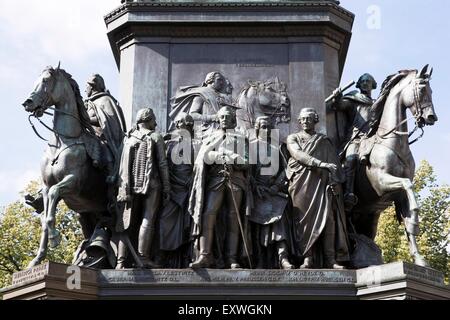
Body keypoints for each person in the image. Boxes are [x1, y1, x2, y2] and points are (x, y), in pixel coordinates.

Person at [286, 108, 350, 269]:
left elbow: (335, 166)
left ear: (315, 120)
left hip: (323, 185)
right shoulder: (293, 138)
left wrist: (335, 181)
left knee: (329, 221)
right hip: (301, 183)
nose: (306, 121)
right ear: (299, 122)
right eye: (303, 119)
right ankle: (308, 258)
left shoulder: (324, 141)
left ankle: (330, 259)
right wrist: (321, 164)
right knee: (303, 221)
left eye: (309, 118)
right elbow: (298, 155)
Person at [189, 106, 251, 269]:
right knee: (208, 213)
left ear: (233, 119)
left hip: (235, 180)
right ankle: (205, 255)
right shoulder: (210, 137)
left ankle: (232, 258)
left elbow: (246, 162)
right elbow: (203, 157)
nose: (224, 119)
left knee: (233, 218)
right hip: (215, 179)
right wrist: (218, 155)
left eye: (227, 117)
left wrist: (233, 157)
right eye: (221, 116)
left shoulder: (240, 137)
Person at [116, 108, 171, 269]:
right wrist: (167, 187)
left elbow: (122, 167)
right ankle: (143, 257)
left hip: (128, 187)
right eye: (154, 119)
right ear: (148, 120)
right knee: (148, 219)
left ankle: (121, 261)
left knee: (127, 221)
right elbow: (162, 164)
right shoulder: (155, 137)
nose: (156, 123)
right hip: (152, 184)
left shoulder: (129, 139)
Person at [248, 116, 294, 269]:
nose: (266, 130)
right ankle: (259, 260)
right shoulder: (250, 146)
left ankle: (283, 257)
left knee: (279, 222)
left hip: (275, 193)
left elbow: (285, 170)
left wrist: (277, 185)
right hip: (257, 193)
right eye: (263, 127)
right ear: (257, 128)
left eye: (268, 127)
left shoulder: (278, 147)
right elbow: (246, 171)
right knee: (257, 227)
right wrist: (255, 186)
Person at [328, 73, 377, 210]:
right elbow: (339, 105)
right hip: (356, 138)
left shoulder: (377, 103)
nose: (366, 83)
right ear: (359, 84)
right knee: (351, 160)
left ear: (373, 85)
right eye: (363, 81)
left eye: (368, 81)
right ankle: (349, 192)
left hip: (373, 138)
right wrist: (337, 97)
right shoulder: (353, 99)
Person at [158, 112, 197, 268]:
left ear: (189, 125)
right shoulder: (170, 144)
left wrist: (192, 181)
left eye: (181, 122)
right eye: (177, 123)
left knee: (191, 225)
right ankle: (162, 256)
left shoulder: (197, 144)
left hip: (191, 190)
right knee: (164, 221)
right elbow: (164, 166)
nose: (177, 125)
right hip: (173, 190)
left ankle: (188, 257)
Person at [84, 74, 127, 184]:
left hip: (102, 138)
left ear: (92, 86)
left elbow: (107, 120)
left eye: (87, 86)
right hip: (87, 136)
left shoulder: (105, 100)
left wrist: (85, 119)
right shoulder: (88, 102)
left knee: (106, 152)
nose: (85, 90)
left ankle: (113, 182)